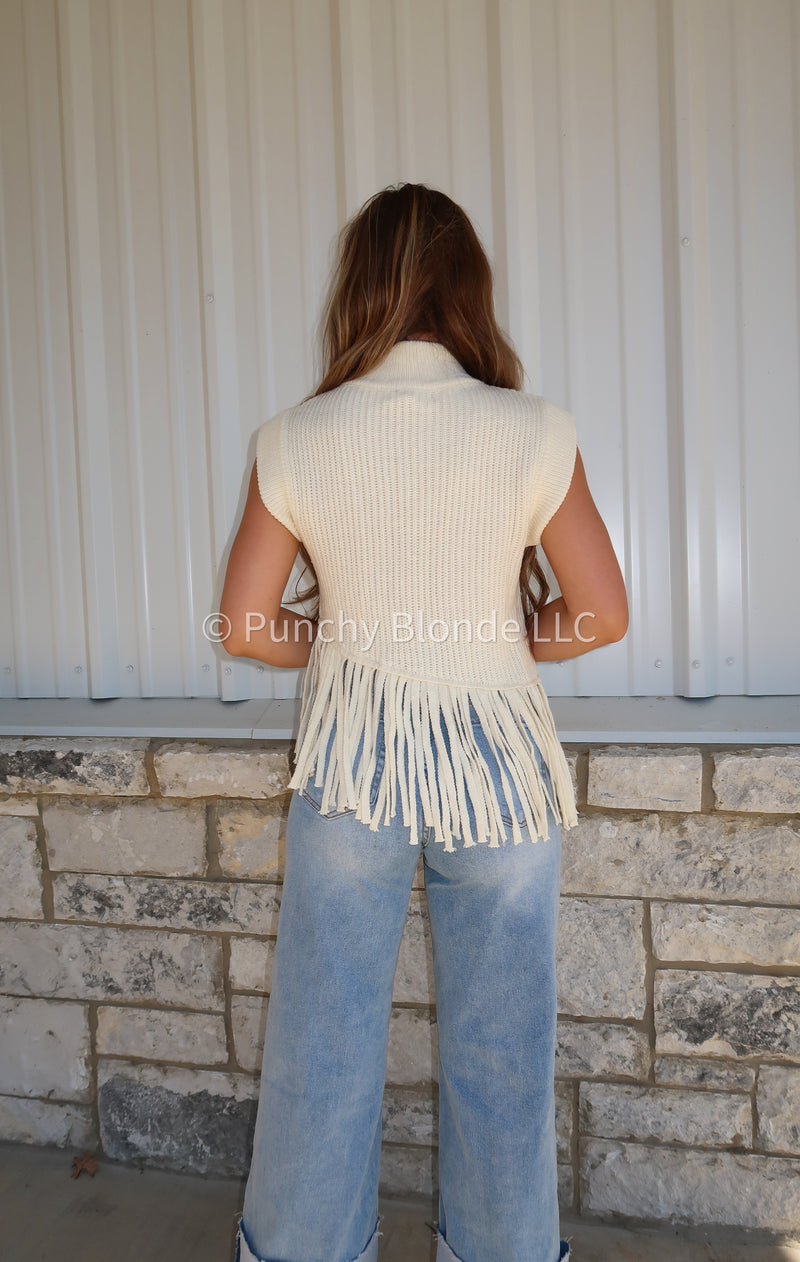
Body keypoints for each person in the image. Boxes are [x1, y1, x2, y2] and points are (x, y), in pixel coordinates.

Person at [219, 181, 628, 1262]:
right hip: (499, 768)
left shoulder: (294, 438)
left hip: (352, 759)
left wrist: (348, 638)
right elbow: (601, 613)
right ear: (468, 289)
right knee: (502, 1052)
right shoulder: (533, 431)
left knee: (321, 1044)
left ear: (357, 288)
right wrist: (497, 635)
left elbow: (247, 624)